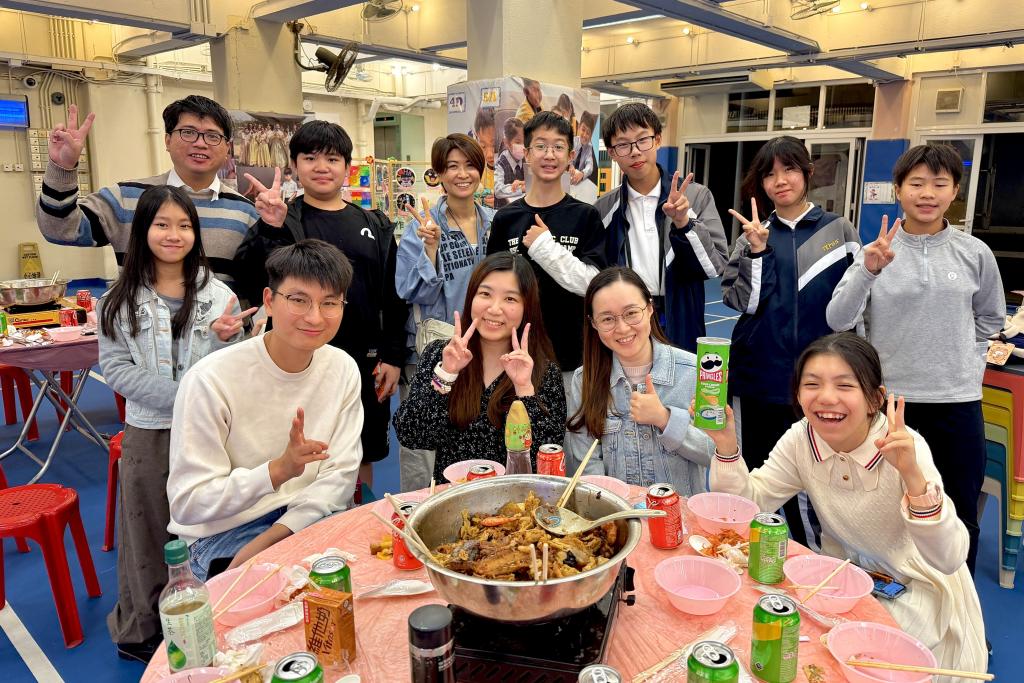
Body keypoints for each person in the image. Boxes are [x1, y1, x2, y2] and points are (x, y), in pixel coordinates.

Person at [696, 333, 987, 677]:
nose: (826, 397)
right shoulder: (802, 438)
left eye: (845, 385)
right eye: (812, 384)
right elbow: (745, 508)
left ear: (875, 398)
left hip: (915, 592)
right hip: (839, 584)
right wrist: (726, 446)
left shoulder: (904, 447)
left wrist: (912, 476)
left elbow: (950, 557)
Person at [826, 143, 1005, 574]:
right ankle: (894, 599)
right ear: (898, 189)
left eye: (939, 184)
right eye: (917, 183)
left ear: (955, 191)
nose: (927, 193)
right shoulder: (874, 252)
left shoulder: (975, 253)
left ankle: (958, 607)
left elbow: (991, 318)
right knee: (888, 511)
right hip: (891, 405)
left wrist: (958, 356)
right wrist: (869, 270)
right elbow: (838, 319)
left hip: (957, 403)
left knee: (958, 511)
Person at [97, 185, 250, 662]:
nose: (173, 234)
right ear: (142, 231)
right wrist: (184, 396)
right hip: (149, 430)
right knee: (146, 529)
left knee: (208, 524)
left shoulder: (220, 296)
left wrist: (227, 341)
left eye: (184, 225)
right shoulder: (118, 299)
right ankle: (142, 630)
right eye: (161, 224)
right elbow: (116, 368)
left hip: (208, 431)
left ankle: (207, 617)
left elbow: (233, 367)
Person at [168, 239, 363, 581]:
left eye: (330, 303)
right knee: (289, 597)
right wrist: (277, 471)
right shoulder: (210, 380)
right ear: (269, 301)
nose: (315, 317)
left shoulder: (342, 367)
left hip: (308, 513)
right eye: (299, 300)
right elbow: (189, 502)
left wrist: (276, 536)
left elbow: (340, 474)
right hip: (223, 531)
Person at [235, 120, 409, 488]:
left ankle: (355, 512)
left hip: (364, 360)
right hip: (296, 359)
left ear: (347, 167)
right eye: (310, 157)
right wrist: (270, 228)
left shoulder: (374, 224)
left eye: (332, 159)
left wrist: (393, 356)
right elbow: (250, 279)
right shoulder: (281, 217)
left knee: (360, 449)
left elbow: (393, 294)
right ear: (294, 165)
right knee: (296, 446)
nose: (321, 167)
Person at [721, 136, 861, 550]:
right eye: (769, 174)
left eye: (789, 170)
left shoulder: (839, 230)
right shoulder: (750, 236)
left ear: (807, 173)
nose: (780, 181)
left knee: (815, 479)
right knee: (758, 477)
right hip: (758, 378)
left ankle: (811, 560)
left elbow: (856, 307)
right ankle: (750, 556)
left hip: (820, 384)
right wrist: (758, 251)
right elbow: (743, 303)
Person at [37, 97, 258, 287]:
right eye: (188, 132)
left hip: (221, 325)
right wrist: (62, 168)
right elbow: (60, 229)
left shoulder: (247, 212)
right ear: (168, 140)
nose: (200, 143)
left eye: (212, 136)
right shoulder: (126, 198)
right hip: (140, 324)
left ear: (227, 148)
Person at [393, 253, 566, 479]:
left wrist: (524, 389)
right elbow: (412, 435)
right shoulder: (440, 355)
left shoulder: (543, 371)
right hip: (454, 493)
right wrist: (446, 374)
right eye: (485, 294)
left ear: (527, 307)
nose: (494, 308)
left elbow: (545, 460)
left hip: (515, 497)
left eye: (510, 299)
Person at [395, 133, 495, 491]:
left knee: (476, 438)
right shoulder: (421, 227)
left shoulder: (495, 223)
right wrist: (431, 249)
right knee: (424, 443)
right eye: (452, 166)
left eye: (470, 165)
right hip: (436, 352)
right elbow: (408, 290)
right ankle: (417, 511)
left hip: (487, 351)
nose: (462, 174)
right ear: (438, 174)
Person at [565, 267, 713, 495]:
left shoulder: (694, 372)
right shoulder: (584, 380)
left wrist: (665, 419)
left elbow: (713, 453)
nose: (622, 328)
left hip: (679, 514)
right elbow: (586, 464)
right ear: (593, 323)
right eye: (607, 319)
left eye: (631, 313)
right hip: (617, 513)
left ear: (650, 308)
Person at [594, 102, 727, 353]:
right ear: (611, 152)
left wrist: (684, 222)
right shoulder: (603, 209)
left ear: (657, 140)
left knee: (680, 377)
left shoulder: (696, 196)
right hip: (626, 321)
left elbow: (714, 266)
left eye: (642, 140)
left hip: (680, 317)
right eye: (623, 144)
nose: (635, 152)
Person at [486, 111, 606, 387]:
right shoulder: (506, 219)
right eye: (540, 146)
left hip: (572, 358)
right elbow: (493, 288)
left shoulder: (586, 216)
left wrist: (544, 247)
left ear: (570, 156)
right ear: (527, 154)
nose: (549, 155)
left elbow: (594, 284)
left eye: (558, 147)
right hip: (515, 355)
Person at [493, 117, 526, 209]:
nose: (523, 147)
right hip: (503, 209)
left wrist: (524, 183)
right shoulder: (500, 163)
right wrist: (521, 188)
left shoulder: (525, 158)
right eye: (518, 142)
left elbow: (534, 179)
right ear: (506, 142)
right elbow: (498, 190)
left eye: (525, 142)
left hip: (520, 206)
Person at [472, 108, 496, 208]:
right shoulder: (476, 171)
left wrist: (506, 203)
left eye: (494, 145)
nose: (489, 154)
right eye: (483, 146)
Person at [570, 110, 597, 187]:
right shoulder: (572, 141)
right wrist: (570, 165)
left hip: (578, 183)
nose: (585, 135)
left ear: (591, 135)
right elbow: (566, 157)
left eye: (588, 133)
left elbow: (590, 166)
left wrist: (582, 173)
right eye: (583, 130)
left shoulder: (589, 148)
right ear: (579, 128)